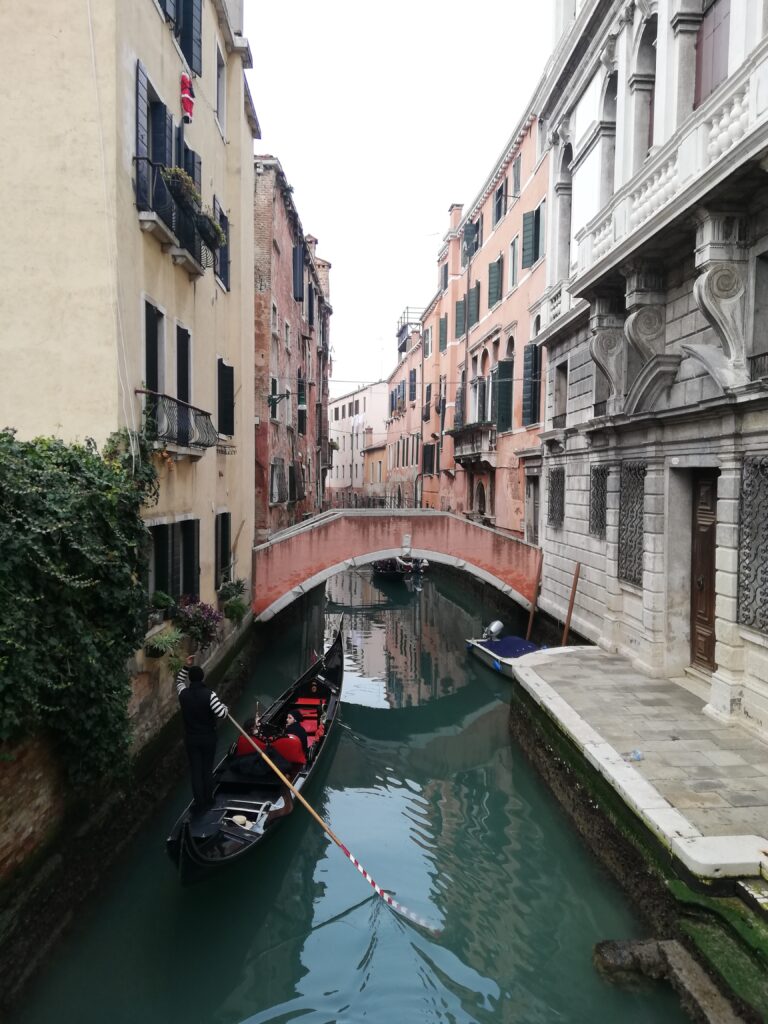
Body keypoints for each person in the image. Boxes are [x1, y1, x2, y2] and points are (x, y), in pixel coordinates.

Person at [176, 656, 228, 813]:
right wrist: (225, 707)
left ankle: (199, 803)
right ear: (202, 677)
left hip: (191, 739)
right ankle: (209, 799)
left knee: (196, 771)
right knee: (207, 769)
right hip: (208, 738)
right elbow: (222, 713)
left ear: (190, 680)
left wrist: (186, 666)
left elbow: (178, 682)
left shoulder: (183, 694)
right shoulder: (210, 694)